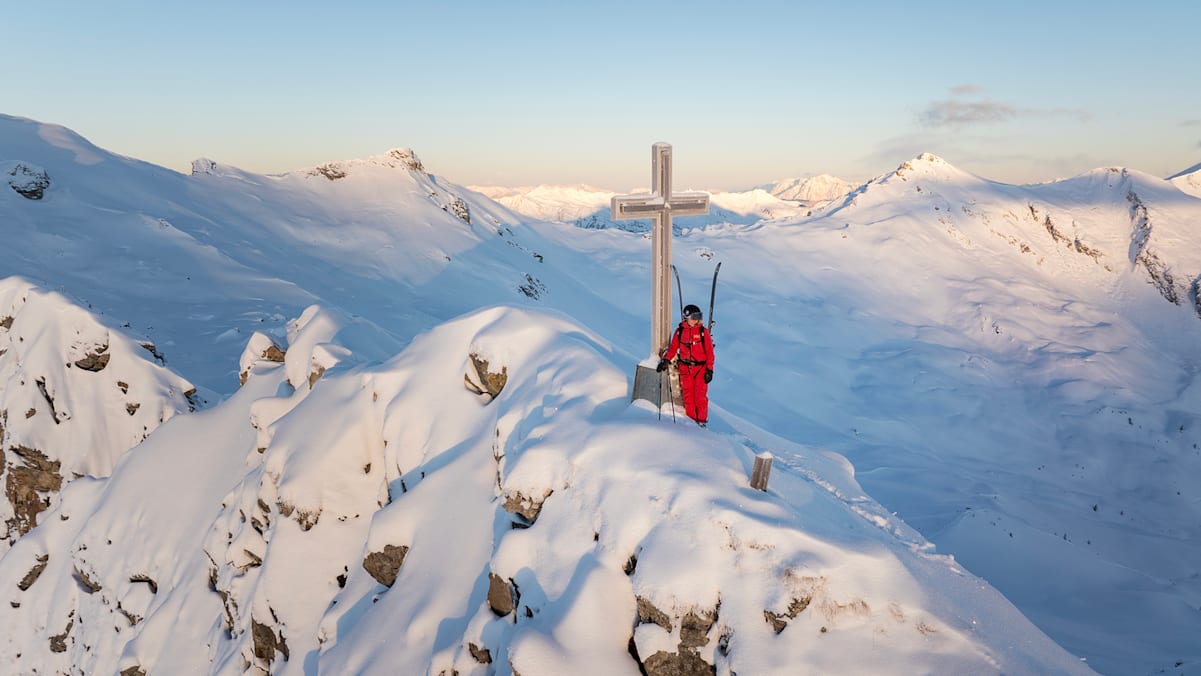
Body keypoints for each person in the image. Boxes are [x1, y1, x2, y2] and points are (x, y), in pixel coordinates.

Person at [657, 304, 715, 427]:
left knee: (700, 396)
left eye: (698, 316)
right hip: (685, 369)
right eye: (694, 316)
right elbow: (673, 348)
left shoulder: (703, 332)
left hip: (700, 368)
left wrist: (709, 370)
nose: (696, 319)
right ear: (686, 317)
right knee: (688, 397)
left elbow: (710, 353)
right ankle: (692, 422)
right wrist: (665, 360)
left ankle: (702, 422)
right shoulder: (680, 332)